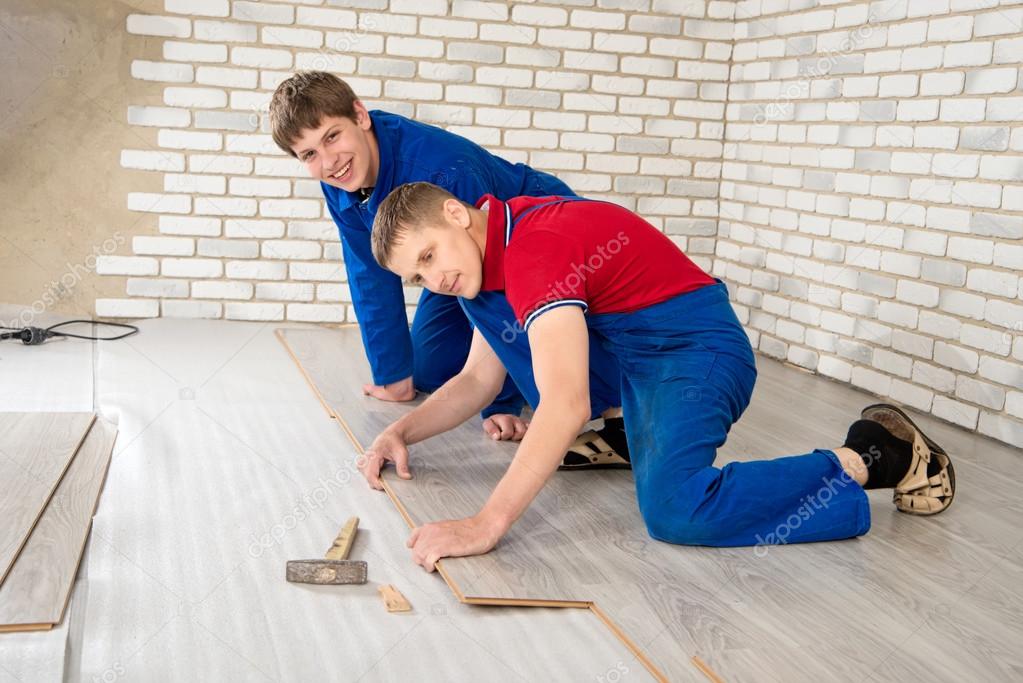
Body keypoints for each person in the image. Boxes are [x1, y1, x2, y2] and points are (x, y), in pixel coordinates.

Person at [360, 182, 956, 572]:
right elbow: (477, 382)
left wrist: (486, 523)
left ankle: (879, 457)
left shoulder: (534, 248)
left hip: (696, 351)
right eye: (417, 275)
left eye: (431, 254)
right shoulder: (482, 270)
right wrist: (402, 433)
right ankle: (630, 434)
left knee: (676, 510)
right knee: (528, 365)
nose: (432, 279)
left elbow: (564, 404)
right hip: (637, 360)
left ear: (456, 214)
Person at [269, 72, 628, 466]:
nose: (329, 161)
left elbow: (495, 289)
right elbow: (368, 271)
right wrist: (392, 374)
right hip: (453, 263)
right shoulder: (337, 179)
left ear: (360, 115)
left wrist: (499, 403)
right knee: (428, 369)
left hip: (525, 251)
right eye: (309, 155)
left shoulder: (443, 168)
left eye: (332, 137)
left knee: (544, 351)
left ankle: (604, 395)